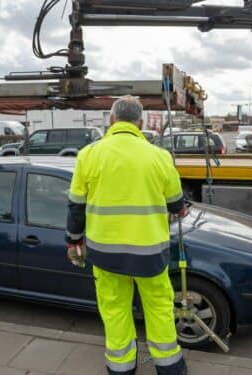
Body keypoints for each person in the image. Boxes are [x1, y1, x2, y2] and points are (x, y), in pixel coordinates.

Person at [66, 96, 188, 375]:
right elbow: (176, 204)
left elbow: (76, 206)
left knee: (115, 310)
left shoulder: (88, 154)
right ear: (141, 123)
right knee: (158, 308)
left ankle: (121, 368)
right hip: (150, 253)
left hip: (105, 253)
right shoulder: (159, 157)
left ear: (111, 120)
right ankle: (170, 367)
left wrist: (73, 240)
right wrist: (178, 208)